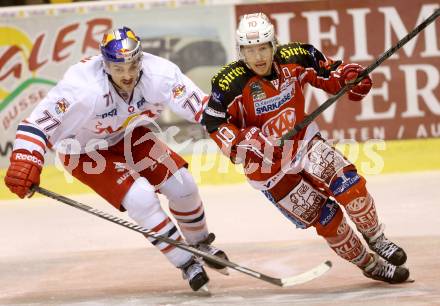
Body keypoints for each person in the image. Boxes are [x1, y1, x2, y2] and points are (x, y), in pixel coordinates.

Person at [4, 26, 228, 292]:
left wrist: (234, 131)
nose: (128, 75)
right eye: (118, 68)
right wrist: (24, 160)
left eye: (133, 65)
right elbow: (36, 125)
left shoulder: (160, 74)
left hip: (129, 134)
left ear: (141, 58)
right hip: (82, 150)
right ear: (105, 64)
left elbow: (203, 109)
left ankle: (200, 243)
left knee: (184, 185)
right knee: (141, 197)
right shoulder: (82, 87)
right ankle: (186, 262)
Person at [203, 13, 410, 284]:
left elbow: (331, 73)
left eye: (263, 47)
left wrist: (350, 78)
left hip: (304, 143)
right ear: (240, 51)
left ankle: (377, 238)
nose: (258, 56)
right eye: (250, 50)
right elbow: (213, 123)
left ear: (274, 44)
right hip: (268, 170)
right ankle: (369, 264)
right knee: (328, 220)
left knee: (350, 185)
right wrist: (244, 144)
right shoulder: (228, 83)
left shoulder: (297, 55)